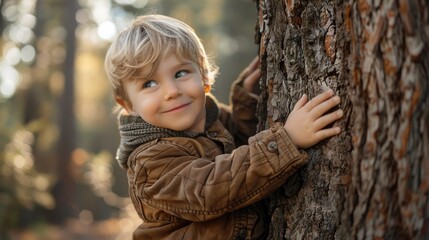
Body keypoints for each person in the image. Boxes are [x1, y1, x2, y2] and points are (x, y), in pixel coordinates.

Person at [104, 14, 343, 240]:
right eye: (150, 83)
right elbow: (210, 188)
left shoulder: (208, 120)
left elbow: (240, 139)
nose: (172, 91)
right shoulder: (150, 161)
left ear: (204, 77)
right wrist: (287, 140)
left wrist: (247, 101)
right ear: (128, 105)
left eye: (180, 73)